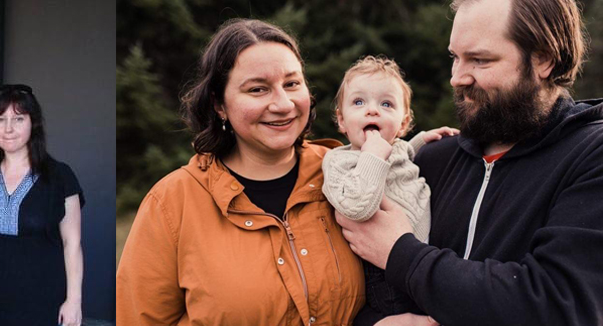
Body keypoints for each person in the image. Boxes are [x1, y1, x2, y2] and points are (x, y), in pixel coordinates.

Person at [339, 0, 603, 325]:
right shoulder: (431, 158)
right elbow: (366, 289)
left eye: (480, 60)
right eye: (455, 58)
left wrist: (400, 253)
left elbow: (559, 304)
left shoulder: (591, 154)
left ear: (543, 60)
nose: (457, 78)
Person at [116, 19, 365, 325]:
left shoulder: (347, 175)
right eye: (258, 89)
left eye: (292, 84)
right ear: (219, 104)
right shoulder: (171, 204)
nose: (283, 104)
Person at [322, 55, 458, 322]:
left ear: (403, 123)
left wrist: (421, 141)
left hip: (423, 254)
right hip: (383, 271)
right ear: (341, 120)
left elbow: (402, 153)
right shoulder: (339, 160)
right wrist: (371, 157)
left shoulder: (397, 148)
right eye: (359, 102)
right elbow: (357, 207)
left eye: (386, 104)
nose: (372, 111)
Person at [0, 84, 85, 326]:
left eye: (18, 119)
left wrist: (74, 301)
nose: (8, 128)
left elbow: (71, 243)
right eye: (1, 119)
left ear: (34, 123)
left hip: (42, 300)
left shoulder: (59, 176)